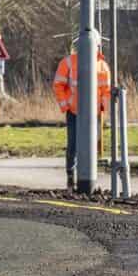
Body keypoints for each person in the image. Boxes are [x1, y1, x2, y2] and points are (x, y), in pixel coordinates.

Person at [51, 34, 110, 186]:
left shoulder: (102, 65)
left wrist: (103, 108)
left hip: (94, 113)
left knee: (92, 145)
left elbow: (106, 90)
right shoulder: (68, 62)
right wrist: (65, 105)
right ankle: (71, 174)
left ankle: (88, 177)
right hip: (74, 111)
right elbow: (58, 85)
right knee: (73, 145)